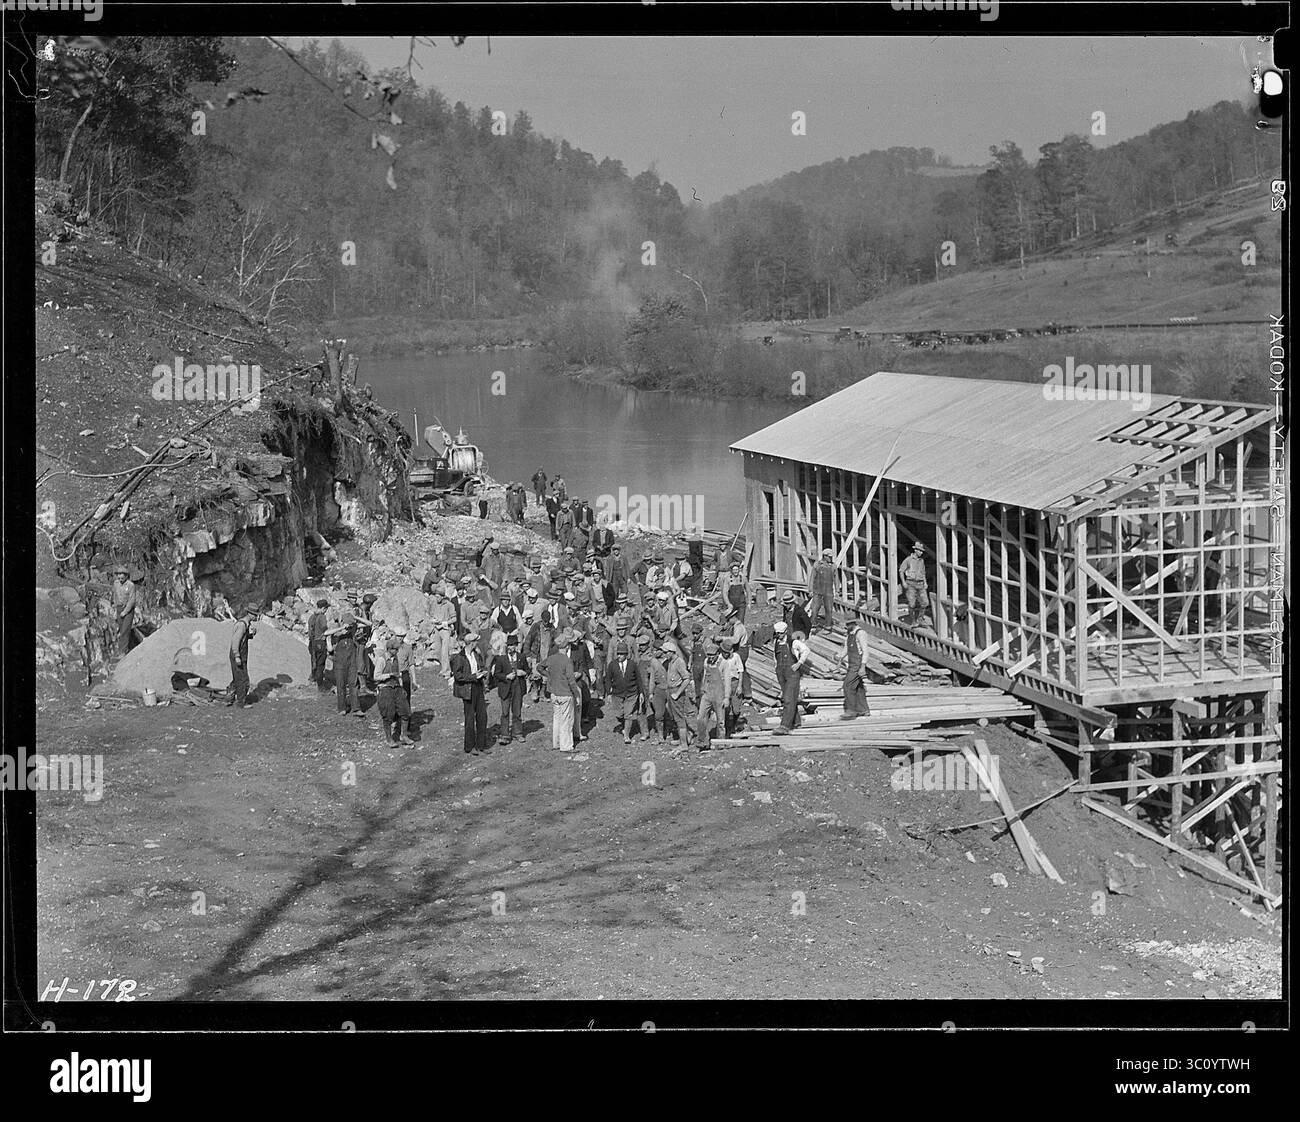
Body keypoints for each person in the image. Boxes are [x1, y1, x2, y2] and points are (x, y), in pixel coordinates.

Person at [450, 631, 490, 754]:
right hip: (468, 689)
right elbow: (458, 676)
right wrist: (473, 677)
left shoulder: (476, 655)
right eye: (475, 642)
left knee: (482, 716)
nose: (477, 644)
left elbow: (481, 666)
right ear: (471, 643)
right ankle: (469, 746)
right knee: (469, 718)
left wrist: (483, 672)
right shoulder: (459, 657)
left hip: (478, 687)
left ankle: (481, 745)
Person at [544, 631, 581, 752]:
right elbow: (571, 680)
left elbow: (539, 667)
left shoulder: (551, 658)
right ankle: (566, 746)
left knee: (557, 719)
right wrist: (576, 694)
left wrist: (549, 676)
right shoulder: (566, 660)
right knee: (567, 720)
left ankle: (557, 743)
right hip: (565, 693)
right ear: (567, 646)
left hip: (554, 693)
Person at [491, 632, 530, 745]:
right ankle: (504, 734)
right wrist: (506, 676)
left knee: (517, 712)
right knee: (505, 712)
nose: (510, 648)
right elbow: (496, 674)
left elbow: (528, 671)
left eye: (512, 645)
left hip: (518, 687)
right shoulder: (501, 659)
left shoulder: (521, 657)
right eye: (508, 645)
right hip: (505, 688)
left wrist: (523, 672)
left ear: (516, 646)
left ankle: (517, 733)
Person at [374, 635, 413, 746]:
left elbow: (398, 675)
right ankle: (389, 739)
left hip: (396, 688)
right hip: (385, 689)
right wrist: (389, 675)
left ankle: (404, 735)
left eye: (397, 649)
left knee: (405, 711)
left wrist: (401, 687)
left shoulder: (395, 659)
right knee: (388, 715)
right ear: (389, 649)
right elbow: (376, 676)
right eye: (394, 650)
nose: (396, 652)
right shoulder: (382, 660)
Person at [774, 629, 811, 735]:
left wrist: (799, 663)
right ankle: (796, 722)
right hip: (781, 673)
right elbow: (775, 657)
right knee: (789, 697)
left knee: (788, 699)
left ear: (785, 632)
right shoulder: (776, 643)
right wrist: (776, 668)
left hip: (792, 674)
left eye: (780, 633)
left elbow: (806, 650)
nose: (779, 635)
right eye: (777, 633)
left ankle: (785, 726)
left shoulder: (793, 642)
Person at [662, 638, 695, 752]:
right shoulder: (671, 662)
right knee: (676, 717)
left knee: (679, 719)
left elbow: (686, 679)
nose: (664, 654)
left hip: (676, 692)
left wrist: (677, 693)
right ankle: (684, 739)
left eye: (666, 652)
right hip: (671, 691)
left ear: (671, 652)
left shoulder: (679, 662)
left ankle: (684, 744)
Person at [605, 639, 641, 743]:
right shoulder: (612, 665)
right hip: (617, 693)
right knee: (619, 714)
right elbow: (608, 679)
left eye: (621, 654)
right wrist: (608, 693)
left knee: (628, 714)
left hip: (631, 693)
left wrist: (641, 692)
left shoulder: (632, 664)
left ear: (626, 655)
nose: (619, 656)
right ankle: (623, 724)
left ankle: (627, 736)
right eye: (618, 654)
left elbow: (638, 679)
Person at [695, 640, 728, 752]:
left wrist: (727, 697)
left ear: (718, 654)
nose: (710, 657)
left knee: (720, 721)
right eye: (708, 655)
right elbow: (705, 676)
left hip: (719, 695)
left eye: (712, 655)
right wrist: (703, 690)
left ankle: (721, 743)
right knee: (700, 717)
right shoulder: (706, 662)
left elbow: (727, 681)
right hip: (707, 694)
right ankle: (701, 740)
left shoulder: (723, 664)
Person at [329, 612, 362, 716]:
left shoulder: (352, 631)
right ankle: (342, 708)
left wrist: (355, 617)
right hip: (339, 663)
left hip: (351, 661)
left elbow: (369, 623)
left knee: (353, 684)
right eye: (348, 625)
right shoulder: (336, 631)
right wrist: (341, 629)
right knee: (341, 685)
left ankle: (356, 708)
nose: (349, 627)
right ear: (343, 622)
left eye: (350, 625)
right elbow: (325, 633)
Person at [841, 613, 872, 718]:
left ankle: (851, 710)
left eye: (848, 624)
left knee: (847, 686)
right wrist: (839, 657)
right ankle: (863, 709)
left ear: (853, 623)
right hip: (851, 663)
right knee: (858, 687)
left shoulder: (860, 633)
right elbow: (846, 649)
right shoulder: (849, 634)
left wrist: (863, 667)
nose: (846, 626)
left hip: (857, 664)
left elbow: (865, 651)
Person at [227, 612, 256, 707]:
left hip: (241, 655)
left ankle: (229, 696)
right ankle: (240, 703)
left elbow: (243, 638)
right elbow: (235, 641)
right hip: (238, 655)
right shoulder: (242, 625)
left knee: (237, 677)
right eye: (255, 615)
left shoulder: (245, 625)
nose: (256, 617)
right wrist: (237, 656)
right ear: (250, 614)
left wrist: (251, 635)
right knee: (243, 679)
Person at [899, 541, 931, 627]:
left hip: (920, 584)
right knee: (912, 604)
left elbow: (923, 572)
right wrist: (903, 582)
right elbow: (901, 571)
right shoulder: (908, 560)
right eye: (919, 551)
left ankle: (920, 618)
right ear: (915, 550)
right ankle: (913, 621)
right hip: (911, 584)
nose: (921, 553)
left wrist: (925, 582)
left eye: (922, 551)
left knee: (925, 602)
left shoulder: (922, 561)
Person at [719, 636, 745, 737]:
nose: (725, 654)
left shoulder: (736, 657)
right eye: (724, 652)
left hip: (734, 682)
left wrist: (739, 686)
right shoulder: (720, 659)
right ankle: (727, 729)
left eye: (727, 652)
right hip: (724, 683)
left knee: (736, 709)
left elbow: (741, 671)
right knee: (726, 708)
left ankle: (734, 724)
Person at [427, 585, 457, 670]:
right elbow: (432, 615)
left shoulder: (449, 605)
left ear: (443, 597)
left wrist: (444, 623)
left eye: (438, 597)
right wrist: (433, 620)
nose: (437, 599)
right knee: (438, 651)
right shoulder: (435, 604)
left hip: (445, 630)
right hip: (437, 629)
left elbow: (454, 619)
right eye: (436, 597)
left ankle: (447, 671)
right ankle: (443, 668)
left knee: (445, 651)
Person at [807, 548, 838, 633]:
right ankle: (813, 625)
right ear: (825, 556)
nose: (831, 559)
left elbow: (836, 579)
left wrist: (837, 590)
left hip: (828, 592)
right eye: (829, 557)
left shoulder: (833, 566)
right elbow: (812, 578)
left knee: (828, 609)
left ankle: (828, 627)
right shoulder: (817, 565)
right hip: (817, 590)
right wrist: (810, 590)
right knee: (815, 608)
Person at [110, 565, 137, 657]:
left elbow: (132, 600)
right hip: (119, 608)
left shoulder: (130, 585)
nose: (120, 578)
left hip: (128, 610)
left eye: (122, 576)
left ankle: (122, 652)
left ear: (126, 576)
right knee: (122, 630)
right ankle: (125, 648)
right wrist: (115, 609)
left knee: (125, 630)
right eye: (119, 576)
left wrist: (125, 612)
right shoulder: (116, 583)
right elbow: (115, 596)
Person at [307, 599, 330, 690]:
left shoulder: (311, 617)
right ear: (324, 608)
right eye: (326, 609)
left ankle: (313, 678)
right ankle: (320, 685)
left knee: (314, 661)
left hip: (312, 642)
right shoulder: (322, 617)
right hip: (320, 642)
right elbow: (324, 629)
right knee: (320, 665)